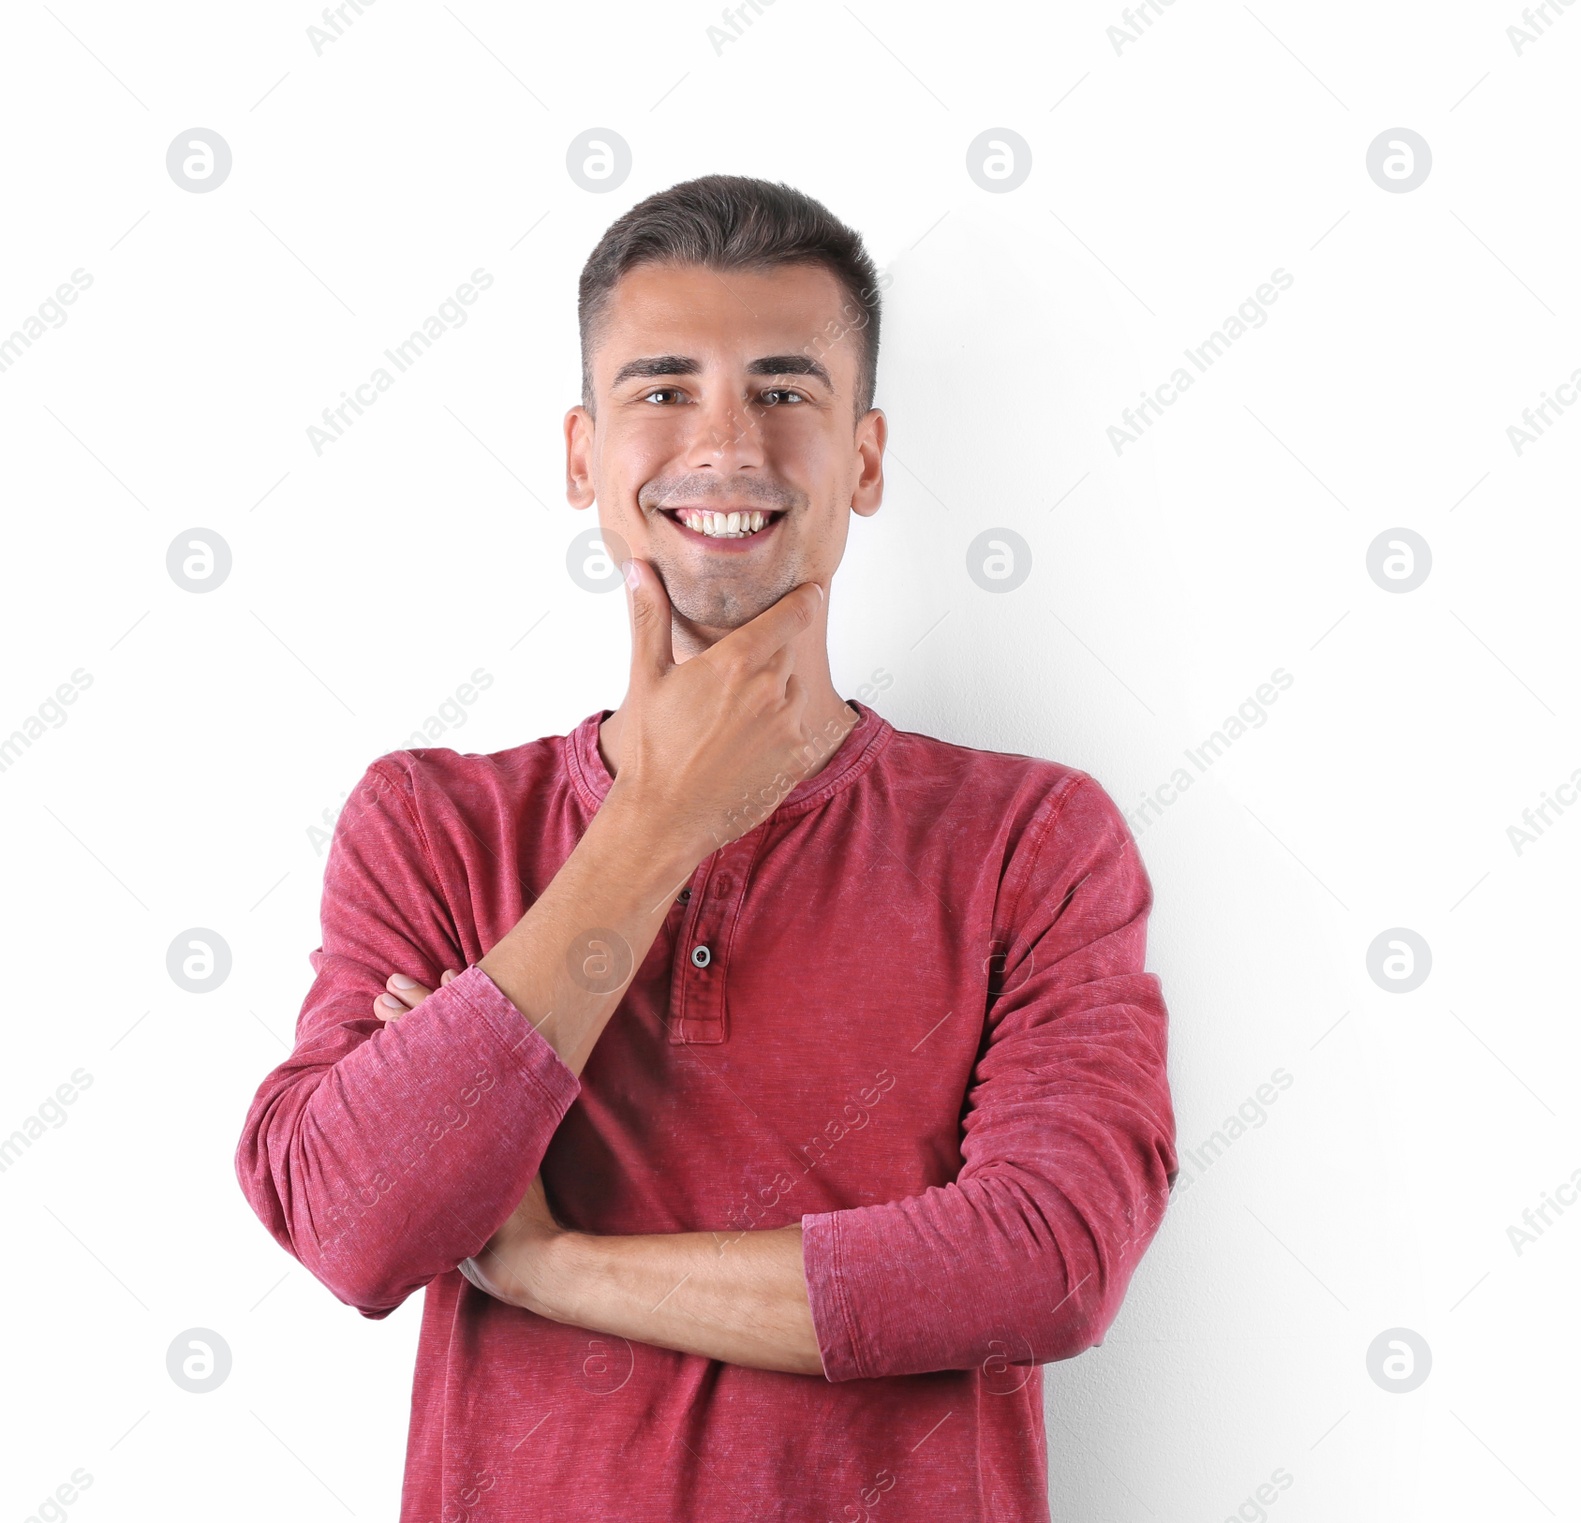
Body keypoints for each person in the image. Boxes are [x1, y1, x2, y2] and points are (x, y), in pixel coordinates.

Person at [235, 173, 1178, 1522]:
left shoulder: (1030, 840)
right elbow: (352, 1222)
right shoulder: (434, 828)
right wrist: (658, 822)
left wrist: (549, 1264)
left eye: (785, 392)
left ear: (862, 456)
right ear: (582, 457)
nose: (727, 443)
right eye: (663, 389)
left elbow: (1044, 1260)